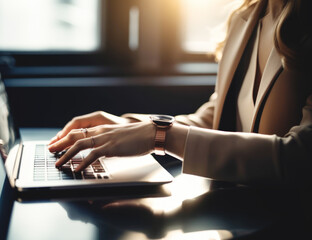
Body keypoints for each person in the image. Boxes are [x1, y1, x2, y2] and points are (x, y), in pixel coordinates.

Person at [48, 0, 312, 186]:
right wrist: (135, 127)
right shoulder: (247, 17)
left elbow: (299, 158)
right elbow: (217, 118)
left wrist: (161, 136)